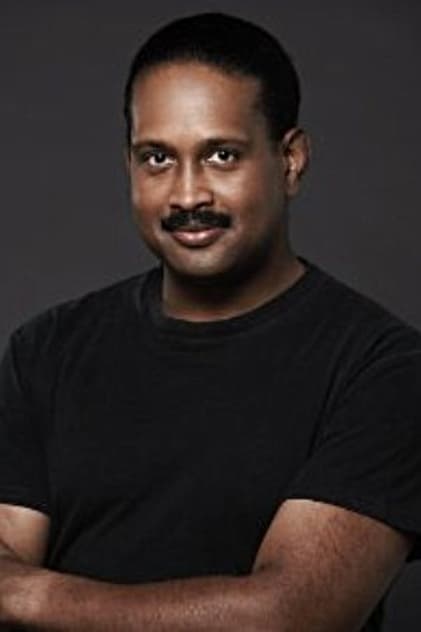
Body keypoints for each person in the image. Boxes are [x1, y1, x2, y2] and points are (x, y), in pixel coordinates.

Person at [0, 12, 420, 631]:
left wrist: (29, 598)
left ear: (291, 160)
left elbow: (292, 617)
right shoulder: (46, 350)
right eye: (157, 158)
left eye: (222, 155)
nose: (187, 195)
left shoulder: (383, 369)